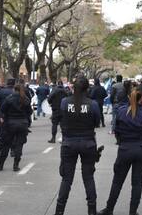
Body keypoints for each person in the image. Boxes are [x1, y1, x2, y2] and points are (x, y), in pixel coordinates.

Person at [98, 87, 142, 215]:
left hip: (125, 149)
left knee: (117, 181)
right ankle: (133, 212)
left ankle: (109, 209)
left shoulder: (122, 112)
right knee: (137, 183)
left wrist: (122, 142)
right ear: (141, 100)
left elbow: (117, 131)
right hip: (141, 149)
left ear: (129, 98)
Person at [53, 76, 101, 215]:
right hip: (88, 143)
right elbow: (97, 122)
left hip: (68, 143)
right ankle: (92, 211)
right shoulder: (92, 104)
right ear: (87, 89)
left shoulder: (64, 102)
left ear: (73, 87)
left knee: (67, 179)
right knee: (88, 177)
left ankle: (59, 211)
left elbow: (60, 117)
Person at [0, 84, 32, 172]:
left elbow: (2, 110)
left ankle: (1, 165)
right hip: (22, 123)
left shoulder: (9, 99)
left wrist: (3, 119)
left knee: (6, 145)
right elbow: (30, 112)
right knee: (19, 145)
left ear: (14, 89)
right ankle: (16, 165)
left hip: (10, 123)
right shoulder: (25, 99)